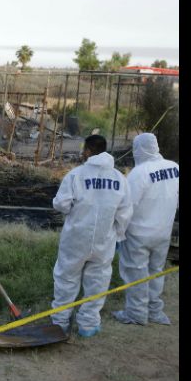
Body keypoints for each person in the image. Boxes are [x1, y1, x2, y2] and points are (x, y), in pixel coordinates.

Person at [51, 135, 132, 337]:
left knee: (66, 279)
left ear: (88, 150)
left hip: (76, 238)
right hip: (104, 241)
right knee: (97, 282)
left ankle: (60, 323)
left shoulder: (76, 175)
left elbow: (61, 204)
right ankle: (88, 324)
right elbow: (125, 212)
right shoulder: (119, 178)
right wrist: (119, 236)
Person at [113, 133, 179, 326]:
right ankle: (154, 311)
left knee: (136, 273)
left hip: (138, 234)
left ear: (138, 149)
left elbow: (126, 206)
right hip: (163, 232)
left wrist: (118, 232)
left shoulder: (139, 173)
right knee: (156, 271)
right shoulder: (174, 168)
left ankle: (136, 313)